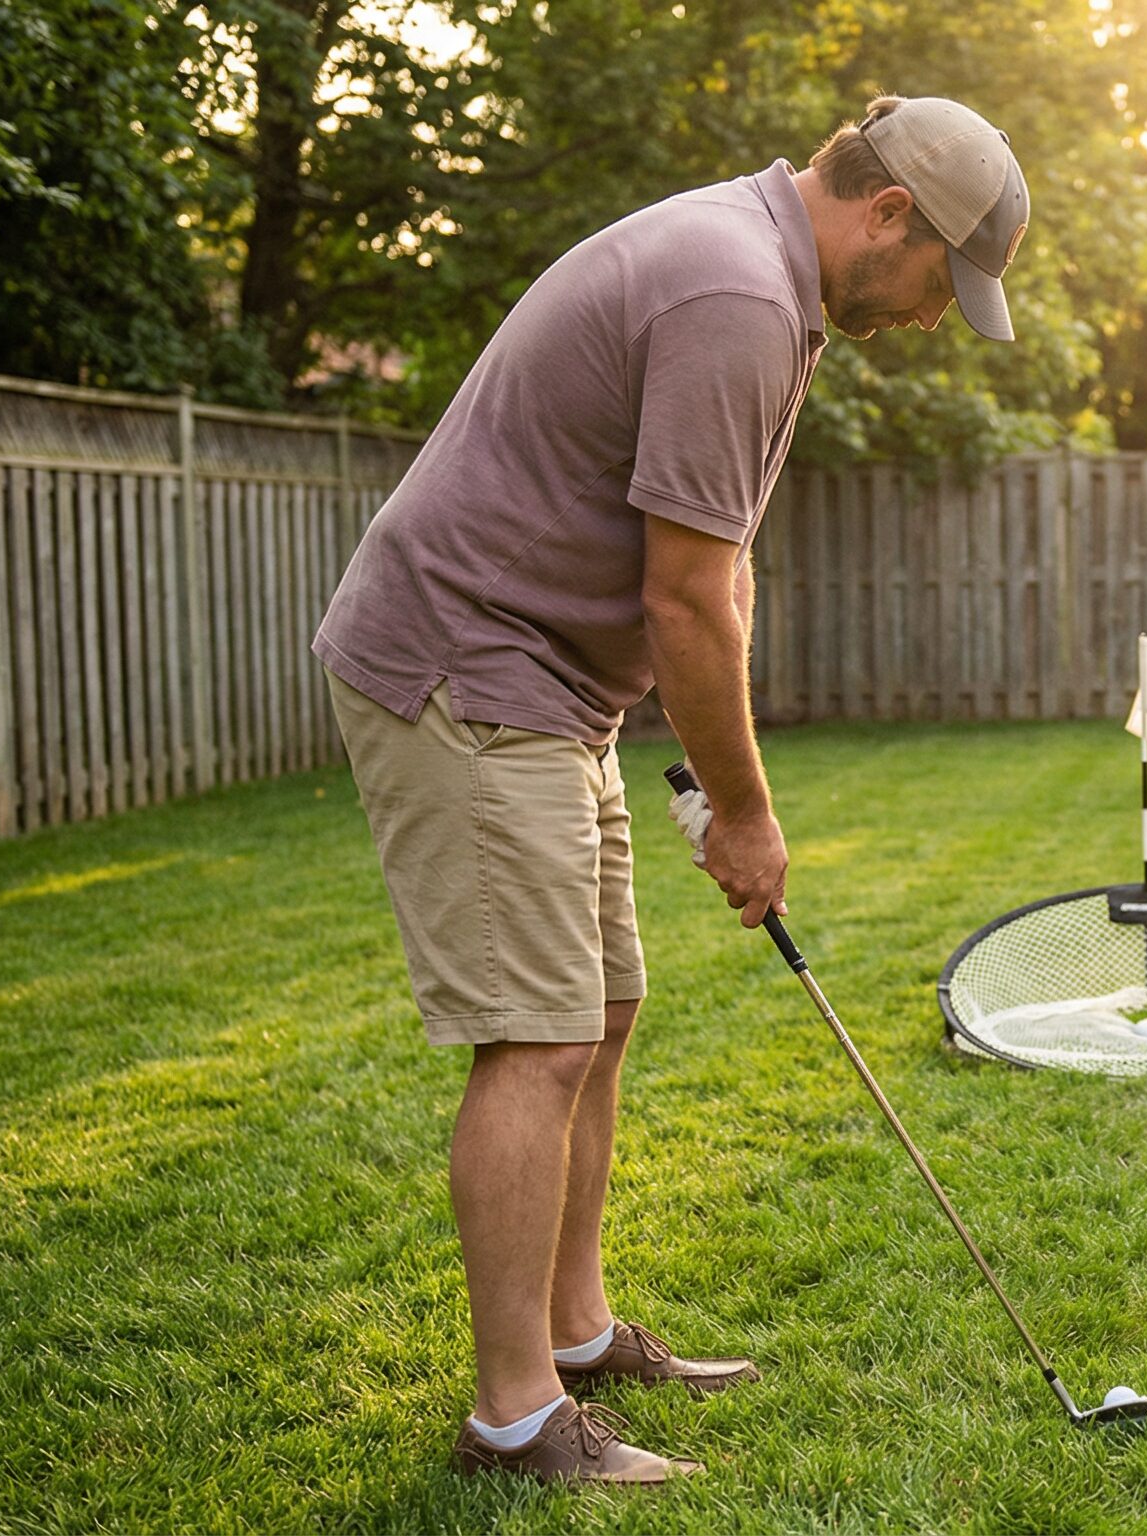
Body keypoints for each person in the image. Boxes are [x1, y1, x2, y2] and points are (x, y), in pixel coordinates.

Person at [310, 96, 1030, 1486]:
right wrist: (752, 818)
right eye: (944, 280)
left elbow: (724, 562)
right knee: (536, 1036)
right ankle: (517, 1419)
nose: (939, 316)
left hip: (557, 685)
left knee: (604, 1004)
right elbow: (686, 599)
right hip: (470, 661)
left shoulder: (776, 288)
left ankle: (574, 1335)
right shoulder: (735, 293)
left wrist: (716, 773)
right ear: (889, 216)